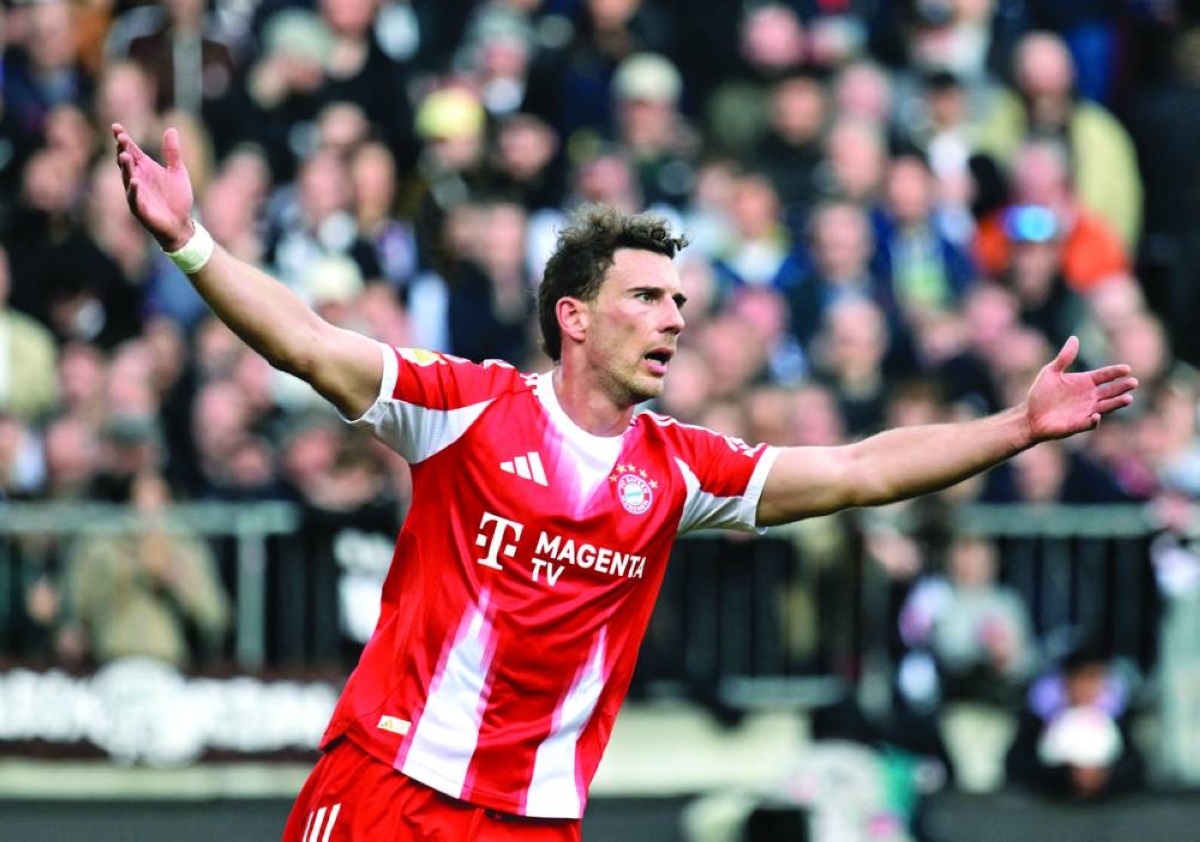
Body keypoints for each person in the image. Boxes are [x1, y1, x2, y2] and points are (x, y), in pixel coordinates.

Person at [112, 122, 1137, 841]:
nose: (674, 318)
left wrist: (1017, 426)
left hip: (533, 817)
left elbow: (860, 468)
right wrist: (188, 242)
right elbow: (305, 341)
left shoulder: (680, 467)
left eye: (680, 300)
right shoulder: (466, 406)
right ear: (574, 316)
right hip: (391, 783)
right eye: (646, 296)